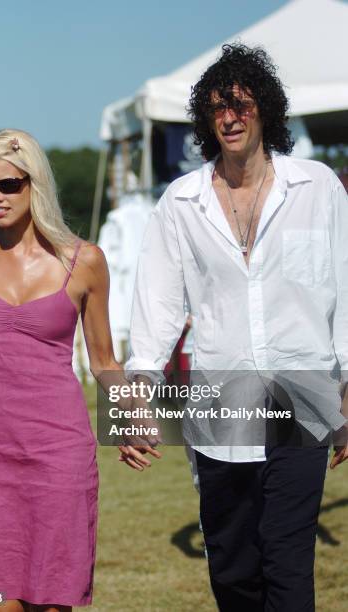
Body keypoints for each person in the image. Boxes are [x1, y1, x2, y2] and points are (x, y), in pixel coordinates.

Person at [120, 44, 348, 611]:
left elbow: (344, 289)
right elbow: (155, 310)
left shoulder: (316, 189)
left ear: (263, 110)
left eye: (242, 104)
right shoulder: (181, 203)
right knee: (233, 568)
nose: (231, 117)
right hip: (221, 414)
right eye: (219, 108)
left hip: (304, 402)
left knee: (288, 562)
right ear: (205, 120)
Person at [0, 128, 128, 612]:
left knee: (52, 603)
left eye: (8, 185)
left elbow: (104, 361)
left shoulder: (84, 261)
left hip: (59, 454)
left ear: (35, 184)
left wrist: (130, 418)